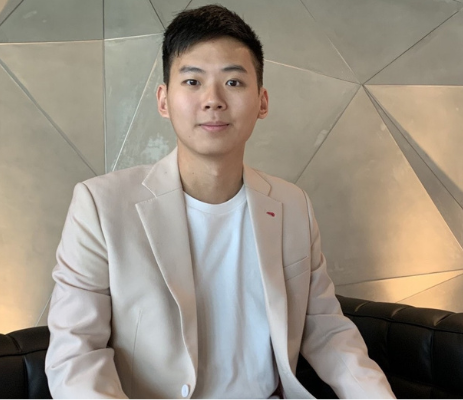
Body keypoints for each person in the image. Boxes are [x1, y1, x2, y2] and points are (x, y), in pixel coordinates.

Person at [44, 5, 395, 399]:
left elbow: (327, 330)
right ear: (164, 100)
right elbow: (76, 355)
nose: (213, 100)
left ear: (262, 102)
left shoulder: (292, 205)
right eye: (192, 81)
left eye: (233, 82)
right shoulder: (101, 206)